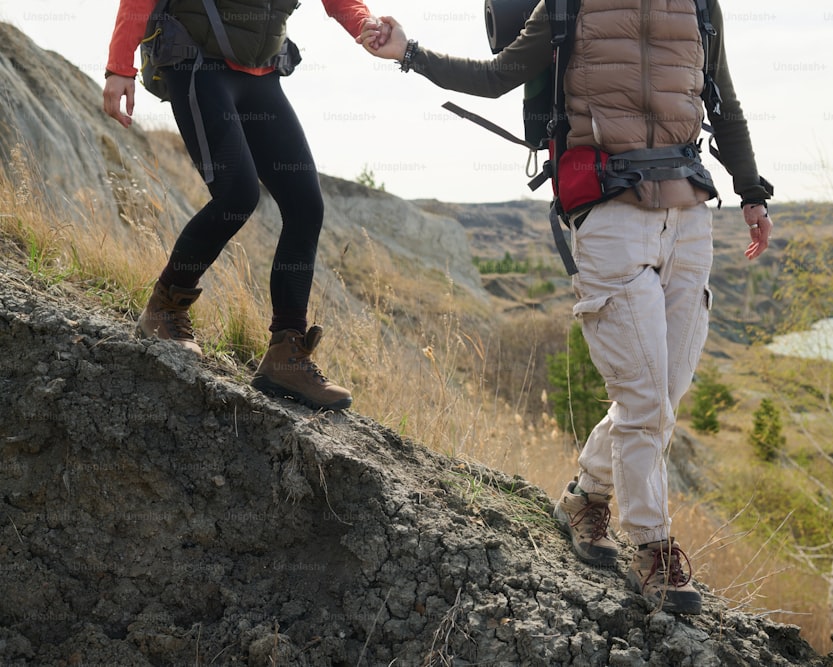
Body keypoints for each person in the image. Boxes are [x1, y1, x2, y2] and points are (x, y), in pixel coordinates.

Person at [358, 0, 773, 613]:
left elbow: (723, 103)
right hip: (608, 211)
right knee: (643, 401)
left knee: (663, 395)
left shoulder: (699, 5)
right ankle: (654, 548)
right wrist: (411, 54)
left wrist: (752, 191)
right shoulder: (567, 3)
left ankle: (585, 497)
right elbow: (498, 76)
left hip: (689, 215)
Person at [103, 0, 390, 411]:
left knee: (306, 206)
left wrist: (365, 24)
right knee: (238, 195)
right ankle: (164, 307)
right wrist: (119, 67)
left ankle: (285, 354)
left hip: (261, 72)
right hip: (195, 61)